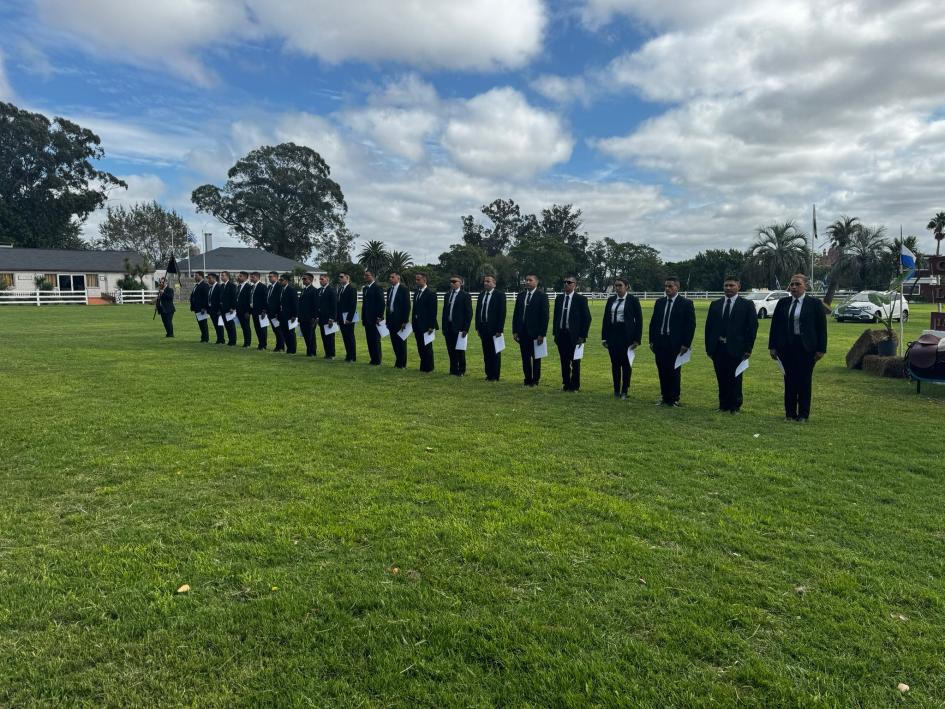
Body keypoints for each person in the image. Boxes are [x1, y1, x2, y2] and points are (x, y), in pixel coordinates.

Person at [768, 273, 827, 422]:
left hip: (806, 348)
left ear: (805, 286)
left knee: (805, 381)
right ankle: (789, 413)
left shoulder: (814, 304)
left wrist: (821, 349)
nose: (793, 287)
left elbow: (821, 328)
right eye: (792, 284)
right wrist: (773, 347)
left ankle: (803, 415)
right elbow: (775, 326)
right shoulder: (783, 303)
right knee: (789, 381)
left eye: (797, 284)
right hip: (786, 348)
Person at [705, 275, 758, 413]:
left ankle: (735, 406)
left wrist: (748, 348)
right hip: (718, 347)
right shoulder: (715, 304)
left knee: (735, 377)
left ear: (738, 286)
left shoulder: (746, 305)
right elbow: (709, 327)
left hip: (737, 348)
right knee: (721, 377)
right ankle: (723, 405)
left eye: (731, 285)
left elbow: (752, 328)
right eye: (726, 285)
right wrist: (709, 348)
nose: (728, 288)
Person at [648, 276, 696, 406]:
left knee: (674, 371)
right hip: (660, 342)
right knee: (662, 370)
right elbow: (653, 323)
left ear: (677, 287)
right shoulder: (660, 302)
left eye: (670, 286)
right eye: (666, 286)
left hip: (676, 343)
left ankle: (674, 398)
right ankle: (664, 396)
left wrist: (686, 344)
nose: (667, 288)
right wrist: (651, 340)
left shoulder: (686, 303)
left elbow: (690, 325)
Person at [601, 277, 643, 399]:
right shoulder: (611, 300)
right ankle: (616, 390)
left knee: (626, 364)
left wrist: (637, 339)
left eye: (620, 285)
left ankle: (624, 390)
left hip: (626, 335)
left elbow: (639, 321)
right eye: (616, 286)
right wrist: (604, 337)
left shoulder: (633, 300)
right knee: (615, 363)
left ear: (627, 287)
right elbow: (606, 319)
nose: (617, 288)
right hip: (613, 334)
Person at [552, 276, 592, 392]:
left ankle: (575, 386)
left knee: (575, 362)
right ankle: (566, 384)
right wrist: (555, 333)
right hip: (561, 335)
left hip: (574, 336)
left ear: (575, 285)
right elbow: (556, 317)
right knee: (564, 362)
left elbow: (587, 318)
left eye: (569, 282)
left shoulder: (581, 299)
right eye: (564, 282)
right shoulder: (559, 299)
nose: (566, 284)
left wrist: (582, 336)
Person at [512, 274, 549, 387]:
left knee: (536, 357)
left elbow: (545, 316)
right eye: (526, 280)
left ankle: (535, 380)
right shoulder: (521, 296)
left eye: (530, 280)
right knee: (525, 358)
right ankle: (527, 379)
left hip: (535, 333)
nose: (527, 282)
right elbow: (516, 314)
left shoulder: (541, 296)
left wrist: (542, 334)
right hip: (522, 332)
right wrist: (515, 331)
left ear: (536, 282)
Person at [475, 275, 506, 381]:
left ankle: (495, 375)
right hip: (483, 327)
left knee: (495, 353)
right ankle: (488, 374)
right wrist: (477, 327)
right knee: (486, 353)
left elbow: (502, 313)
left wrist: (499, 330)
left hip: (494, 329)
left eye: (488, 281)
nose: (485, 283)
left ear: (494, 283)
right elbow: (478, 312)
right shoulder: (481, 295)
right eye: (484, 281)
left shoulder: (499, 295)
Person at [442, 275, 473, 376]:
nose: (452, 283)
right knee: (450, 349)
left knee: (460, 349)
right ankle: (453, 369)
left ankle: (461, 370)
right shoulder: (447, 295)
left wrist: (465, 329)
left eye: (454, 281)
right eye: (451, 281)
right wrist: (444, 327)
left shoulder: (465, 295)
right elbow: (444, 312)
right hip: (448, 326)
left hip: (459, 327)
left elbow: (469, 313)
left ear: (460, 283)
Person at [412, 271, 438, 372]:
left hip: (427, 325)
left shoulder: (430, 293)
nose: (416, 281)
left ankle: (429, 367)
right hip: (417, 324)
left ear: (424, 280)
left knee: (427, 347)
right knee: (420, 346)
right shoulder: (416, 292)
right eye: (416, 279)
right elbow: (415, 309)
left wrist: (431, 326)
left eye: (418, 279)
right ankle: (423, 366)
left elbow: (433, 311)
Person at [386, 271, 411, 368]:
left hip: (400, 320)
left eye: (392, 277)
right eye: (390, 277)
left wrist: (405, 321)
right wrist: (387, 320)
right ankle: (398, 362)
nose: (390, 279)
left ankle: (402, 364)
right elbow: (388, 305)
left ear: (398, 278)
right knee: (394, 342)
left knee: (401, 342)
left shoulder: (404, 289)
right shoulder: (389, 290)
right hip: (391, 319)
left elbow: (407, 306)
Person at [361, 269, 385, 365]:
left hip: (375, 319)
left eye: (368, 275)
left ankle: (377, 360)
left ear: (373, 276)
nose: (366, 277)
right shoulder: (365, 288)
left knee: (375, 340)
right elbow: (365, 304)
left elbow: (381, 303)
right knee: (369, 340)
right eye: (365, 275)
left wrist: (379, 316)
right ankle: (372, 359)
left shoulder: (377, 287)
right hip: (367, 319)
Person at [337, 272, 357, 362]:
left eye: (341, 277)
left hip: (348, 318)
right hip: (341, 317)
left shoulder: (351, 288)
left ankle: (352, 356)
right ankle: (348, 355)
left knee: (350, 337)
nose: (340, 278)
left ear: (347, 278)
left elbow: (353, 305)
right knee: (345, 337)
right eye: (339, 277)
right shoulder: (341, 289)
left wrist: (349, 318)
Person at [298, 273, 319, 357]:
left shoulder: (314, 290)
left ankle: (312, 352)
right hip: (303, 317)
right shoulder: (304, 290)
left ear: (310, 280)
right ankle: (309, 350)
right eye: (303, 279)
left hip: (310, 317)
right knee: (305, 335)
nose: (303, 280)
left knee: (311, 335)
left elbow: (316, 305)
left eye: (305, 279)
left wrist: (314, 317)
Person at [317, 273, 337, 359]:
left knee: (330, 337)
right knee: (324, 336)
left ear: (327, 280)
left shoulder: (331, 290)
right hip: (321, 317)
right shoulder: (319, 290)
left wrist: (332, 318)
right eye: (320, 279)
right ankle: (327, 353)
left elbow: (334, 306)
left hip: (328, 318)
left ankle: (331, 354)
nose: (320, 281)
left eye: (322, 279)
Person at [278, 273, 298, 355]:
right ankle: (289, 348)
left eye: (281, 280)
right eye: (280, 280)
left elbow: (295, 304)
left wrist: (294, 315)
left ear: (286, 281)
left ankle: (292, 349)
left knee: (291, 333)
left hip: (290, 315)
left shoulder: (291, 290)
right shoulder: (282, 289)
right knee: (284, 332)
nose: (280, 281)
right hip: (282, 314)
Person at [266, 271, 285, 352]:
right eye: (269, 276)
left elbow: (279, 301)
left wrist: (277, 312)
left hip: (276, 313)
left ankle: (280, 346)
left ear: (276, 277)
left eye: (271, 276)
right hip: (270, 312)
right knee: (275, 330)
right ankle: (279, 346)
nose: (269, 278)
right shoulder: (270, 287)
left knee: (278, 330)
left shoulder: (279, 287)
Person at [249, 272, 268, 350]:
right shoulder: (252, 287)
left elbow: (265, 299)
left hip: (261, 311)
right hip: (254, 310)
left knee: (262, 329)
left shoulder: (262, 286)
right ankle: (260, 343)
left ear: (257, 277)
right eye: (251, 277)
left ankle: (263, 345)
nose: (251, 278)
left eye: (252, 277)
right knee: (257, 328)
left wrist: (264, 310)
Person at [190, 271, 210, 343]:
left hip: (202, 308)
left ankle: (206, 338)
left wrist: (204, 307)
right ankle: (203, 337)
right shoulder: (197, 285)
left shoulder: (204, 285)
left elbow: (206, 297)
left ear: (201, 276)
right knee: (200, 324)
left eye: (196, 275)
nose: (195, 277)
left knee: (203, 324)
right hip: (197, 308)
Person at [220, 270, 238, 346]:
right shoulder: (221, 286)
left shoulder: (232, 286)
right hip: (223, 309)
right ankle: (230, 340)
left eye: (223, 275)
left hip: (230, 310)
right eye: (221, 275)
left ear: (227, 276)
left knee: (231, 325)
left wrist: (232, 307)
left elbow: (234, 297)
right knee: (226, 325)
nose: (221, 277)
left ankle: (233, 341)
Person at [235, 271, 253, 347]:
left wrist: (248, 311)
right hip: (238, 310)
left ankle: (247, 343)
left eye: (240, 276)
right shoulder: (238, 286)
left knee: (246, 327)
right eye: (239, 276)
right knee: (243, 327)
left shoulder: (248, 287)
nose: (238, 277)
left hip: (245, 311)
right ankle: (245, 342)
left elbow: (249, 300)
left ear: (246, 277)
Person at [207, 273, 225, 344]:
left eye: (209, 278)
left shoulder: (219, 287)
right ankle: (219, 339)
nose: (208, 280)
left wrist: (220, 310)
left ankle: (221, 339)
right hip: (212, 309)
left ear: (214, 278)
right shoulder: (210, 287)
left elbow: (221, 299)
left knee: (219, 325)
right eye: (208, 278)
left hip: (217, 310)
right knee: (215, 325)